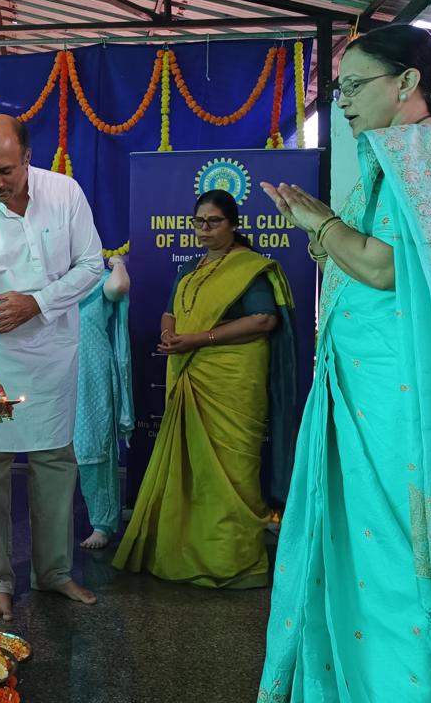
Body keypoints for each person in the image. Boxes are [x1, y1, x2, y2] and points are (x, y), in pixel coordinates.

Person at [258, 24, 431, 701]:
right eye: (339, 89)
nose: (343, 102)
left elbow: (384, 268)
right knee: (357, 541)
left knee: (396, 546)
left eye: (355, 86)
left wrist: (321, 226)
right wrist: (327, 231)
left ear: (407, 82)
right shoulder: (396, 155)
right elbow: (364, 256)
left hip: (402, 394)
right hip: (360, 386)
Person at [0, 113, 104, 621]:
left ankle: (54, 572)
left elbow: (92, 266)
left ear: (29, 158)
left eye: (5, 171)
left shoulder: (65, 193)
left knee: (55, 463)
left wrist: (37, 302)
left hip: (54, 352)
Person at [112, 189, 297, 588]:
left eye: (214, 222)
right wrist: (169, 333)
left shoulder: (250, 267)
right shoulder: (190, 268)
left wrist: (199, 339)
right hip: (190, 372)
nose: (204, 229)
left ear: (233, 224)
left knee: (233, 472)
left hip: (232, 382)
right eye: (199, 222)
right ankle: (184, 552)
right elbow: (170, 310)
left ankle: (232, 561)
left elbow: (264, 320)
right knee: (192, 470)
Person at [75, 254, 134, 550]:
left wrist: (117, 262)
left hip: (91, 371)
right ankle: (51, 523)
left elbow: (119, 286)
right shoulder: (47, 283)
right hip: (54, 369)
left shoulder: (98, 282)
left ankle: (102, 523)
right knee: (51, 451)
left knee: (94, 446)